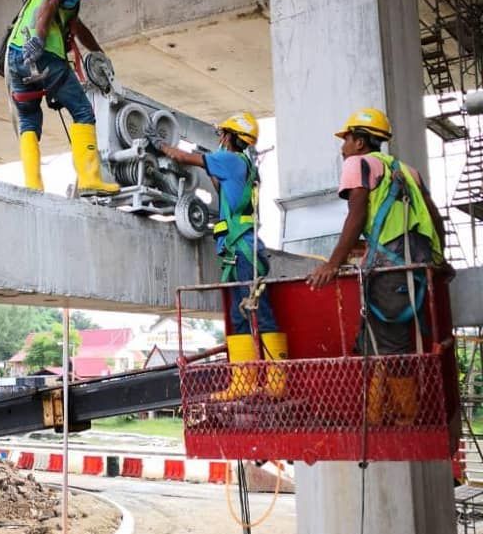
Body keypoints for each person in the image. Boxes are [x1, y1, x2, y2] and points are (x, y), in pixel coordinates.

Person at [148, 113, 287, 380]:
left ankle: (273, 381)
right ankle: (247, 382)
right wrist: (208, 162)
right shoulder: (245, 165)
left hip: (241, 250)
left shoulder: (228, 159)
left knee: (258, 313)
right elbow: (222, 187)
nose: (220, 138)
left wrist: (160, 144)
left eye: (223, 134)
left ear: (232, 137)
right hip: (243, 249)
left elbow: (182, 157)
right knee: (244, 314)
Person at [307, 107, 447, 358]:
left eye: (346, 141)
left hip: (389, 269)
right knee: (382, 343)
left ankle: (405, 400)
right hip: (416, 265)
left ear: (359, 142)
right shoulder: (408, 170)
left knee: (390, 350)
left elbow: (357, 214)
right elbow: (434, 218)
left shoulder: (357, 163)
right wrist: (440, 259)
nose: (342, 149)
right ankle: (382, 399)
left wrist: (333, 263)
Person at [6, 0, 119, 195]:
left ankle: (33, 186)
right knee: (82, 111)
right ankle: (90, 179)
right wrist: (40, 37)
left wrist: (99, 53)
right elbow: (51, 1)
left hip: (16, 56)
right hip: (44, 54)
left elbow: (77, 28)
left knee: (27, 119)